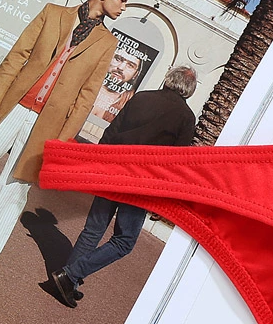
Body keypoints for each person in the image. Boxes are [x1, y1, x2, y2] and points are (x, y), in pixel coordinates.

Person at [0, 0, 133, 302]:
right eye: (122, 0)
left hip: (46, 127)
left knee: (12, 192)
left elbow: (86, 98)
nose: (123, 7)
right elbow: (16, 57)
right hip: (11, 108)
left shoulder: (107, 43)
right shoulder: (52, 13)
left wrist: (61, 143)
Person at [51, 65, 197, 308]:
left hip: (114, 169)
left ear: (168, 79)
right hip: (140, 183)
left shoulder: (141, 98)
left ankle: (69, 278)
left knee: (93, 229)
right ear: (189, 90)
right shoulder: (186, 117)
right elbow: (175, 163)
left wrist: (98, 162)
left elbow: (113, 130)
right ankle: (70, 275)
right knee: (124, 241)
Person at [90, 47, 143, 123]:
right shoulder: (86, 81)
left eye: (130, 65)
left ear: (135, 74)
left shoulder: (130, 102)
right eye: (118, 59)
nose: (120, 68)